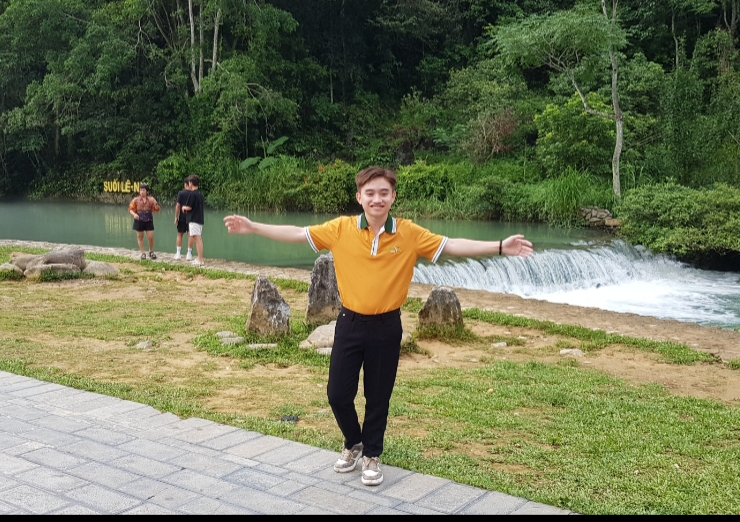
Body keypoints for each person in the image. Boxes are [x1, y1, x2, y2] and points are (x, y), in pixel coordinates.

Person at [223, 166, 533, 486]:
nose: (377, 199)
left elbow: (451, 245)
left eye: (384, 193)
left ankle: (372, 454)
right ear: (359, 197)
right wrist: (253, 227)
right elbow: (298, 234)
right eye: (370, 193)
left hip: (386, 326)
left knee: (378, 396)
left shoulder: (409, 233)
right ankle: (353, 442)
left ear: (393, 196)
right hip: (349, 322)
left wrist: (500, 246)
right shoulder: (340, 229)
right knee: (337, 394)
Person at [128, 183, 160, 259]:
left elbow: (157, 209)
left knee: (150, 237)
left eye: (143, 190)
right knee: (140, 237)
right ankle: (143, 253)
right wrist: (134, 214)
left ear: (146, 191)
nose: (142, 192)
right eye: (140, 190)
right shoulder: (135, 200)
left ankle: (151, 251)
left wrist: (155, 203)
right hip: (139, 219)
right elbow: (130, 209)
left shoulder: (151, 199)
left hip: (149, 219)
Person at [184, 174, 205, 266]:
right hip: (199, 219)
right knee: (197, 238)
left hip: (194, 219)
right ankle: (199, 258)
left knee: (197, 239)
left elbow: (189, 207)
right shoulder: (200, 194)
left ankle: (200, 259)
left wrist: (184, 208)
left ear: (191, 183)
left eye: (189, 182)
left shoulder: (192, 194)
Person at [173, 180, 191, 260]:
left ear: (185, 184)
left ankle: (178, 253)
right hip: (191, 218)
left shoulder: (181, 193)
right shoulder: (193, 194)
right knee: (190, 235)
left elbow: (178, 206)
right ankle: (189, 254)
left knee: (179, 234)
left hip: (182, 217)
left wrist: (176, 217)